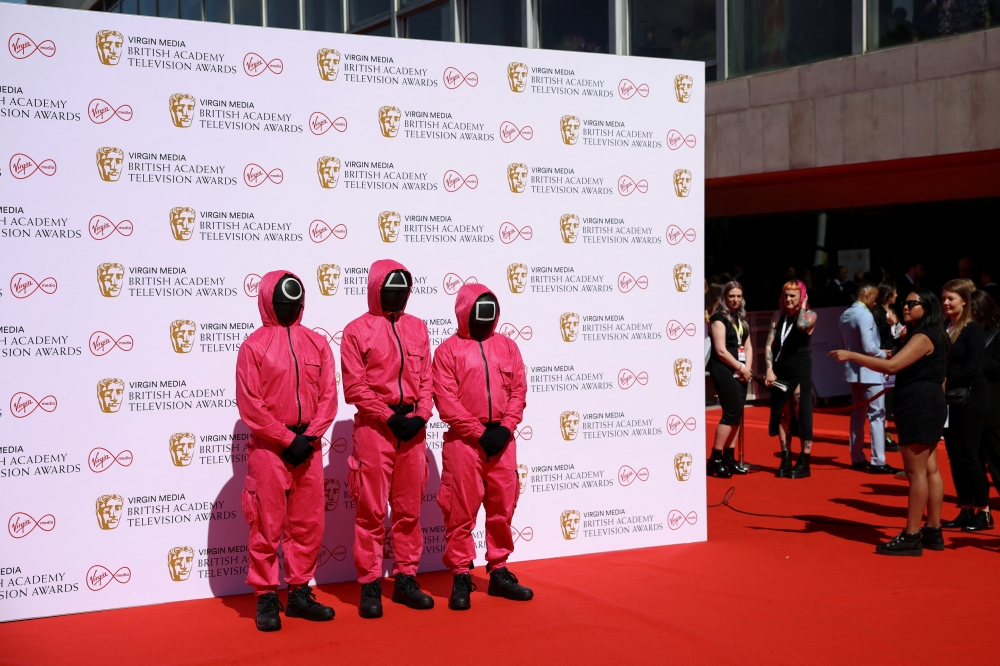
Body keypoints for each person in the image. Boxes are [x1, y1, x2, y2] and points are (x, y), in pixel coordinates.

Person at [236, 270, 339, 631]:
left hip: (308, 448)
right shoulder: (253, 346)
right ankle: (266, 595)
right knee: (266, 524)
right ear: (267, 300)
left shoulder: (317, 344)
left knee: (308, 525)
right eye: (282, 299)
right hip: (269, 449)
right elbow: (251, 405)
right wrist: (285, 438)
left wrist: (309, 438)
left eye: (294, 299)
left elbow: (329, 397)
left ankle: (298, 592)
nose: (289, 305)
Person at [341, 260, 435, 619]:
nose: (398, 294)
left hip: (412, 428)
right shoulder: (356, 331)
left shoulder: (418, 328)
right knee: (371, 511)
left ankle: (407, 578)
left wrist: (421, 415)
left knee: (410, 509)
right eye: (391, 287)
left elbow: (427, 378)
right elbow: (355, 386)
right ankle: (369, 584)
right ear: (376, 289)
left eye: (404, 287)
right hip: (375, 429)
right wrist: (387, 416)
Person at [432, 283, 532, 610]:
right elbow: (446, 401)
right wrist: (478, 431)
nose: (484, 320)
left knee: (502, 507)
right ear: (464, 313)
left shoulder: (508, 347)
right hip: (464, 442)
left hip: (502, 441)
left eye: (489, 314)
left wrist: (504, 428)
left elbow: (518, 391)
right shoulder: (448, 351)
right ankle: (461, 572)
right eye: (477, 313)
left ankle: (499, 570)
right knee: (460, 509)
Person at [829, 288, 947, 556]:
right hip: (927, 402)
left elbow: (892, 368)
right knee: (930, 469)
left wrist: (852, 355)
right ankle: (932, 530)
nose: (905, 307)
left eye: (911, 303)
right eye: (904, 303)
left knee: (917, 472)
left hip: (919, 404)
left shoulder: (923, 335)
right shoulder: (930, 334)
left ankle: (912, 534)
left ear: (926, 308)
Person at [938, 279, 992, 531]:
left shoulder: (973, 329)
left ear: (964, 301)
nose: (946, 302)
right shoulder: (944, 326)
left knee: (969, 455)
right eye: (944, 298)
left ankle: (985, 511)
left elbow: (972, 368)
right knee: (953, 456)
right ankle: (966, 509)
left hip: (971, 397)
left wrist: (943, 379)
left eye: (951, 298)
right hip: (949, 398)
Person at [838, 281, 899, 474]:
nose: (876, 301)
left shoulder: (845, 314)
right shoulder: (864, 315)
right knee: (877, 414)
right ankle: (878, 460)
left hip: (853, 370)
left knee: (858, 414)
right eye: (874, 297)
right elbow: (869, 347)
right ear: (867, 295)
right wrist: (885, 355)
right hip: (869, 370)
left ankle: (857, 457)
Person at [765, 280, 817, 478]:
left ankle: (804, 460)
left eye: (793, 295)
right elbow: (769, 344)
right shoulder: (778, 316)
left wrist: (803, 306)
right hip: (780, 369)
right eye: (785, 295)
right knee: (782, 413)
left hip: (801, 368)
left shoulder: (810, 316)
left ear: (801, 296)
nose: (788, 299)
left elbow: (802, 324)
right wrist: (769, 370)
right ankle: (785, 457)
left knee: (801, 411)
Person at [706, 281, 752, 478]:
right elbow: (721, 351)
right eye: (731, 296)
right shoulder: (718, 318)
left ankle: (729, 457)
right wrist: (741, 367)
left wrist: (747, 368)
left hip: (741, 370)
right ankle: (715, 459)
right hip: (724, 368)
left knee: (737, 413)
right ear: (724, 297)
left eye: (738, 296)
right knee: (730, 412)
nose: (735, 300)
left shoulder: (740, 318)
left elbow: (748, 346)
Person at [970, 290, 1000, 498]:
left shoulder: (997, 334)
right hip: (970, 407)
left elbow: (997, 365)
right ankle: (981, 507)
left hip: (993, 407)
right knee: (974, 460)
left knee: (997, 459)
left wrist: (971, 366)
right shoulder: (966, 333)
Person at [872, 281, 902, 452]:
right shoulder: (876, 313)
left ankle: (886, 429)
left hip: (894, 356)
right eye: (895, 292)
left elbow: (895, 333)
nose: (896, 296)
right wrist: (887, 324)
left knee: (890, 394)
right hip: (882, 357)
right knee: (882, 395)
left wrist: (900, 331)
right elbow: (873, 335)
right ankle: (883, 432)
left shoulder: (894, 311)